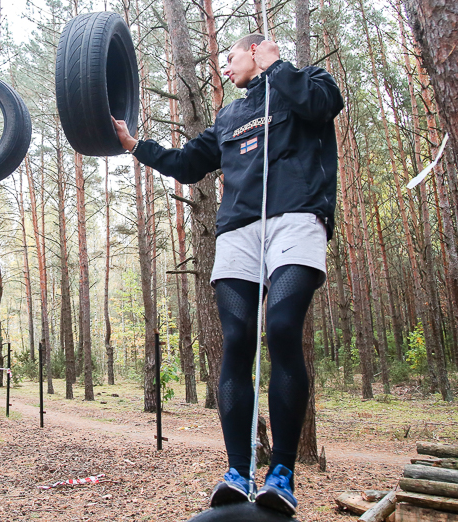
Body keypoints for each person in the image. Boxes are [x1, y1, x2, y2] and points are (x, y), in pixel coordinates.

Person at [113, 35, 343, 516]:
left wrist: (277, 68)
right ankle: (237, 471)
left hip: (297, 218)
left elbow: (322, 105)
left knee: (281, 327)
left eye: (231, 57)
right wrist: (137, 146)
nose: (224, 67)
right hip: (239, 230)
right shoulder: (229, 116)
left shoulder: (306, 82)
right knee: (237, 337)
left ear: (257, 52)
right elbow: (188, 163)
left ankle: (281, 472)